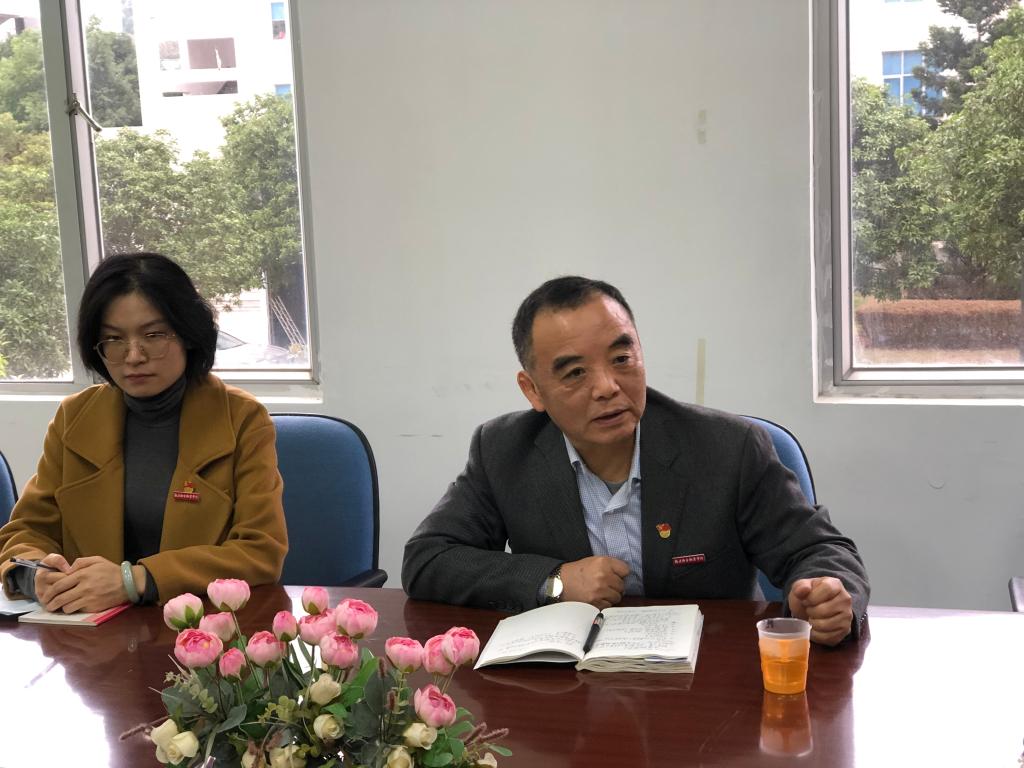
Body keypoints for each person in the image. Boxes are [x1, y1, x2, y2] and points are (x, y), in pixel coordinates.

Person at [403, 276, 869, 645]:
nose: (607, 387)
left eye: (622, 358)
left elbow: (817, 550)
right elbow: (428, 559)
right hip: (565, 692)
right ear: (533, 390)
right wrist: (554, 582)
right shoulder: (504, 450)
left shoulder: (728, 448)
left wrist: (826, 594)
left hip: (709, 684)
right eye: (576, 372)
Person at [0, 253, 287, 613]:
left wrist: (135, 580)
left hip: (201, 629)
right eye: (113, 339)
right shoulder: (75, 418)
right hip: (89, 631)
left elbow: (261, 551)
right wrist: (35, 575)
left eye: (153, 335)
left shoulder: (241, 419)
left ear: (188, 334)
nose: (133, 356)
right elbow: (26, 531)